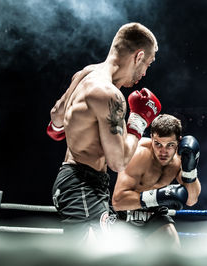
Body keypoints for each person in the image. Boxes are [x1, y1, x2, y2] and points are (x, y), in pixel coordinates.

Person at [47, 22, 161, 242]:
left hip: (74, 182)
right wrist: (138, 121)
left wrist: (74, 128)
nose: (145, 73)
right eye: (147, 64)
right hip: (82, 184)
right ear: (138, 57)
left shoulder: (86, 73)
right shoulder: (110, 96)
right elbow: (118, 162)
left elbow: (56, 118)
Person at [112, 114, 201, 248]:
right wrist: (158, 196)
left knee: (172, 248)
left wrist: (190, 169)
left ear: (179, 142)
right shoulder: (138, 154)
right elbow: (118, 202)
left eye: (170, 145)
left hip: (154, 212)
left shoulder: (179, 159)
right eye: (158, 144)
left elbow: (191, 200)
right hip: (124, 213)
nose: (163, 151)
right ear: (152, 138)